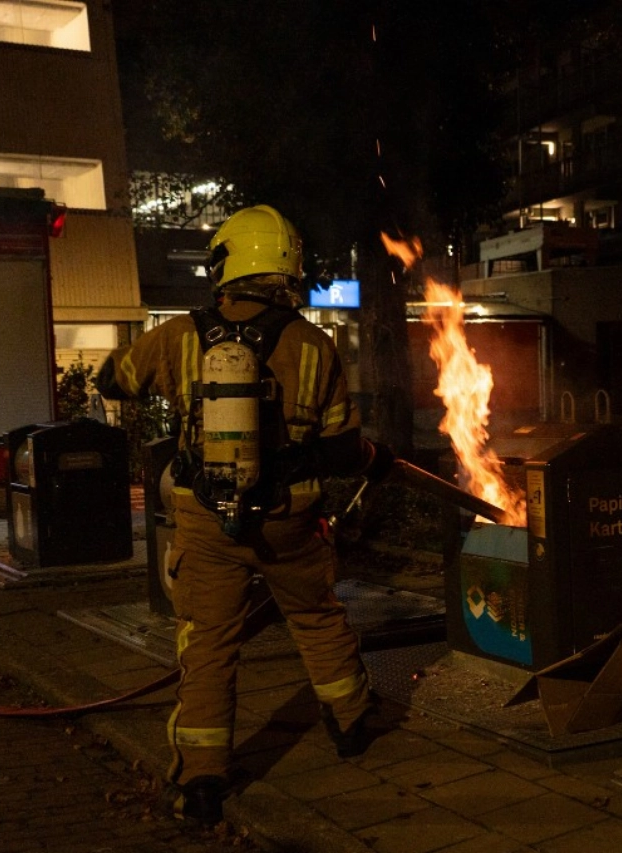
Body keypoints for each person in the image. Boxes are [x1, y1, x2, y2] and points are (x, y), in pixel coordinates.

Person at [95, 204, 394, 827]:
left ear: (227, 263)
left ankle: (202, 780)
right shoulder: (315, 345)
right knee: (315, 617)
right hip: (293, 519)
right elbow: (341, 448)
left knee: (208, 644)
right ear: (288, 269)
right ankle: (352, 722)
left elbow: (112, 379)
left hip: (206, 521)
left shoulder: (180, 335)